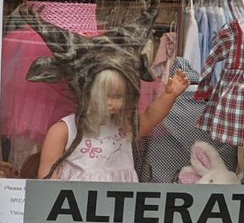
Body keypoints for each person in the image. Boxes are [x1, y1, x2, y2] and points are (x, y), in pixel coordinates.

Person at [37, 67, 190, 181]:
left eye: (117, 96)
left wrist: (169, 95)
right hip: (77, 204)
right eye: (102, 95)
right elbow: (47, 176)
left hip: (120, 202)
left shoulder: (124, 126)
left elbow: (150, 117)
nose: (109, 103)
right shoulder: (64, 130)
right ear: (84, 93)